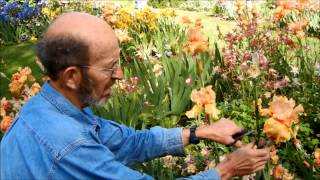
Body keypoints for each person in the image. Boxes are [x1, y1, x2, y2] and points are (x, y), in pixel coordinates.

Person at [0, 12, 270, 180]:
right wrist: (227, 169)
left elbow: (129, 142)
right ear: (71, 76)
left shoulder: (50, 106)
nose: (119, 75)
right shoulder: (69, 144)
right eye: (109, 67)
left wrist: (201, 132)